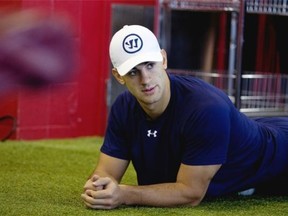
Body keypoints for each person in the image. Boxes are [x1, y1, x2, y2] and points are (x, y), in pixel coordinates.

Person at [81, 25, 288, 210]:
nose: (145, 79)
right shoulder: (124, 108)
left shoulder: (206, 108)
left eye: (150, 65)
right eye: (133, 72)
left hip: (281, 156)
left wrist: (124, 194)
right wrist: (99, 186)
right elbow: (106, 172)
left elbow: (191, 193)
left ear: (163, 59)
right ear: (118, 76)